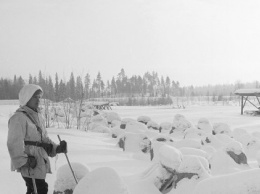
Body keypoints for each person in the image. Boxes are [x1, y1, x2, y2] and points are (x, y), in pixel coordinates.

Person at [7, 84, 67, 194]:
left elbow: (44, 139)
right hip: (30, 164)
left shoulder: (39, 117)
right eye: (35, 97)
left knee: (34, 190)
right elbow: (13, 143)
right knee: (40, 189)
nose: (38, 100)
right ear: (27, 97)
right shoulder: (18, 118)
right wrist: (24, 161)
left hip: (39, 162)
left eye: (39, 97)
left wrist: (57, 148)